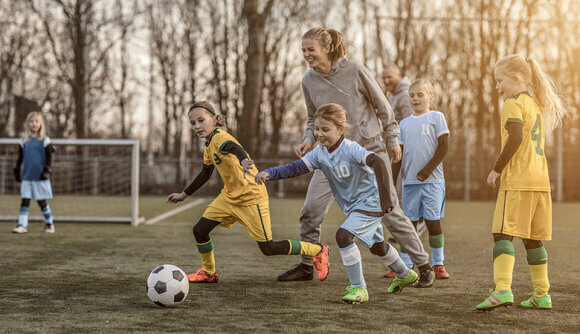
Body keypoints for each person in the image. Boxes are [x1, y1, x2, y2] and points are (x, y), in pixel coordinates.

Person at [278, 27, 435, 288]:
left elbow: (382, 106)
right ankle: (307, 265)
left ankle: (423, 265)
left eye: (311, 49)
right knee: (310, 212)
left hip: (369, 152)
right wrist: (308, 139)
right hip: (329, 156)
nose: (306, 54)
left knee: (391, 212)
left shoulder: (354, 70)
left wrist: (392, 138)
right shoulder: (308, 81)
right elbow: (310, 117)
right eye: (303, 50)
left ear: (326, 48)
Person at [256, 103, 418, 304]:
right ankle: (405, 274)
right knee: (377, 246)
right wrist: (269, 173)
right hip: (355, 207)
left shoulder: (350, 149)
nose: (319, 134)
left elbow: (377, 162)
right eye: (317, 129)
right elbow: (295, 168)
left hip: (371, 202)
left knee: (343, 236)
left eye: (325, 129)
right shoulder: (319, 153)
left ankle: (359, 289)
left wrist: (386, 198)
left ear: (341, 130)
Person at [166, 101, 330, 283]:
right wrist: (184, 194)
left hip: (252, 197)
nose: (197, 126)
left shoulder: (220, 138)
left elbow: (235, 149)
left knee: (268, 248)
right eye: (193, 123)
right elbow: (205, 174)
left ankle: (317, 250)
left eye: (201, 120)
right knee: (200, 230)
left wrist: (244, 160)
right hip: (229, 198)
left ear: (214, 119)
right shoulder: (209, 144)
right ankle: (208, 273)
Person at [475, 55, 568, 311]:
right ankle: (542, 294)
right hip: (540, 182)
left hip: (517, 180)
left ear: (516, 80)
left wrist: (496, 169)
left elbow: (515, 137)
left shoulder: (512, 103)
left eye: (499, 80)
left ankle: (502, 290)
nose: (497, 87)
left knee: (502, 234)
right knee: (532, 239)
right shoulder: (535, 105)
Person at [392, 79, 450, 280]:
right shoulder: (404, 123)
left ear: (430, 98)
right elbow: (397, 157)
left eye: (420, 94)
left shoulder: (437, 117)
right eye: (412, 95)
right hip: (409, 184)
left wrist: (427, 171)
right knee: (409, 225)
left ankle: (438, 264)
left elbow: (443, 147)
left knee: (433, 222)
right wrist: (391, 183)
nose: (415, 98)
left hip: (433, 182)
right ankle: (406, 266)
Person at [381, 63, 427, 277]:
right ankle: (408, 245)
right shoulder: (392, 95)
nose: (387, 80)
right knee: (399, 200)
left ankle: (407, 258)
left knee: (403, 203)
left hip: (406, 153)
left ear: (399, 75)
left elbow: (411, 125)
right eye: (384, 77)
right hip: (396, 151)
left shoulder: (405, 95)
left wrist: (407, 155)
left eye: (390, 76)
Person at [12, 111, 55, 234]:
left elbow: (50, 157)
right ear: (28, 124)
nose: (34, 124)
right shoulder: (24, 140)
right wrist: (16, 169)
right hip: (27, 177)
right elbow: (20, 157)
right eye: (31, 121)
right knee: (25, 200)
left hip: (40, 177)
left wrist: (47, 170)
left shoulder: (45, 140)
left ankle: (49, 223)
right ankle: (22, 225)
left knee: (42, 202)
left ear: (41, 124)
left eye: (37, 121)